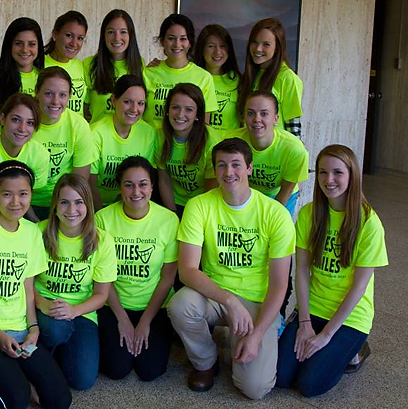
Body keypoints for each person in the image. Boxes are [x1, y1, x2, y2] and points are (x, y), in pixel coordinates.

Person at [167, 138, 294, 399]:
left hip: (256, 300)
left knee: (255, 389)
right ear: (214, 170)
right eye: (221, 165)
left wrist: (257, 335)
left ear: (249, 168)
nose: (228, 172)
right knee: (179, 305)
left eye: (236, 164)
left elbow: (280, 284)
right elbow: (187, 270)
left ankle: (257, 340)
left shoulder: (275, 213)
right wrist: (229, 301)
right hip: (215, 295)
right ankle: (206, 362)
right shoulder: (199, 205)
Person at [276, 145, 388, 397]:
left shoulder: (369, 223)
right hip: (313, 309)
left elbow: (359, 287)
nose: (329, 180)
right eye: (323, 172)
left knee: (310, 385)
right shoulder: (308, 214)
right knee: (281, 377)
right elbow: (302, 272)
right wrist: (304, 322)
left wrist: (326, 335)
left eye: (338, 172)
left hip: (350, 317)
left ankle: (356, 350)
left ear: (352, 175)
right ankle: (326, 350)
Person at [0, 161, 72, 409]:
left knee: (59, 400)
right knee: (17, 400)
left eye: (23, 194)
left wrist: (33, 328)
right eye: (7, 194)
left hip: (20, 331)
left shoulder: (32, 232)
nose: (16, 202)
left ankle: (10, 377)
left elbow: (27, 286)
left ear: (31, 195)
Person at [95, 156, 178, 382]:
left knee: (150, 371)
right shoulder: (103, 219)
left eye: (143, 184)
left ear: (152, 187)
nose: (136, 192)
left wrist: (144, 322)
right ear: (120, 187)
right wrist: (122, 319)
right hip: (113, 304)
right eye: (128, 184)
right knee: (116, 369)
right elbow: (103, 278)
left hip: (154, 306)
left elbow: (168, 278)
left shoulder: (168, 220)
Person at [35, 174, 117, 390]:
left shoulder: (103, 240)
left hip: (82, 310)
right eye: (64, 202)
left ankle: (56, 351)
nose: (71, 210)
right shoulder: (38, 232)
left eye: (79, 202)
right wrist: (42, 303)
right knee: (56, 329)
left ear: (88, 205)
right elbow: (24, 282)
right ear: (54, 205)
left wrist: (73, 310)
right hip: (45, 307)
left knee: (82, 381)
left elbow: (101, 295)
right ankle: (41, 360)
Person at [229, 91, 309, 217]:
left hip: (279, 194)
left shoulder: (294, 149)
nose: (257, 119)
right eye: (250, 113)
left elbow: (284, 194)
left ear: (275, 119)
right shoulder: (231, 142)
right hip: (247, 193)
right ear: (243, 117)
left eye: (264, 114)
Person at [32, 67, 94, 219]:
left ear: (70, 96)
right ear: (36, 92)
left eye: (62, 95)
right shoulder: (25, 122)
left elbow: (79, 181)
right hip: (25, 203)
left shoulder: (78, 125)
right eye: (48, 94)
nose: (55, 101)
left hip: (64, 205)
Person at [90, 74, 156, 210]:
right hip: (97, 205)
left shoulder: (148, 132)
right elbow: (90, 183)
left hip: (130, 204)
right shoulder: (96, 132)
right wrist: (100, 215)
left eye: (140, 103)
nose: (134, 109)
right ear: (114, 101)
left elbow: (145, 179)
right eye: (127, 102)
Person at [156, 83, 220, 219]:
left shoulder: (212, 142)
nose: (180, 114)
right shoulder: (160, 137)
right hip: (173, 202)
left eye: (189, 110)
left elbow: (211, 189)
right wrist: (171, 215)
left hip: (202, 205)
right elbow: (164, 179)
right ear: (167, 110)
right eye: (175, 107)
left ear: (198, 114)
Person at [143, 14, 216, 129]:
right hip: (150, 143)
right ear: (162, 41)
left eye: (183, 39)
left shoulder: (204, 77)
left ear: (190, 42)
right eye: (171, 38)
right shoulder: (147, 73)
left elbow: (205, 126)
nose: (177, 44)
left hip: (186, 145)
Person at [237, 18, 303, 138]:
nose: (258, 49)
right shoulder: (252, 74)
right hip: (248, 147)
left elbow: (293, 127)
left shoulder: (287, 77)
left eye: (266, 44)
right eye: (254, 42)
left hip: (275, 150)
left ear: (278, 47)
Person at [0, 17, 44, 129]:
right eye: (18, 43)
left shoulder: (44, 79)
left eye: (31, 44)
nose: (25, 50)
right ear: (9, 45)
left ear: (39, 46)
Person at [83, 9, 144, 123]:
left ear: (131, 35)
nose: (117, 38)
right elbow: (84, 109)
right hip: (98, 137)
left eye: (123, 32)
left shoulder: (141, 65)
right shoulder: (89, 65)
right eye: (111, 32)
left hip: (129, 138)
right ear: (103, 35)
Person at [193, 24, 241, 131]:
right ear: (202, 49)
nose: (217, 52)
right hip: (201, 144)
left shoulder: (238, 81)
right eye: (211, 46)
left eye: (222, 46)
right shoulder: (193, 77)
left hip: (230, 145)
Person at [44, 10, 88, 116]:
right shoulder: (39, 65)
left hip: (76, 131)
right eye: (69, 35)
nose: (74, 43)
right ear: (55, 34)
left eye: (80, 38)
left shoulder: (81, 66)